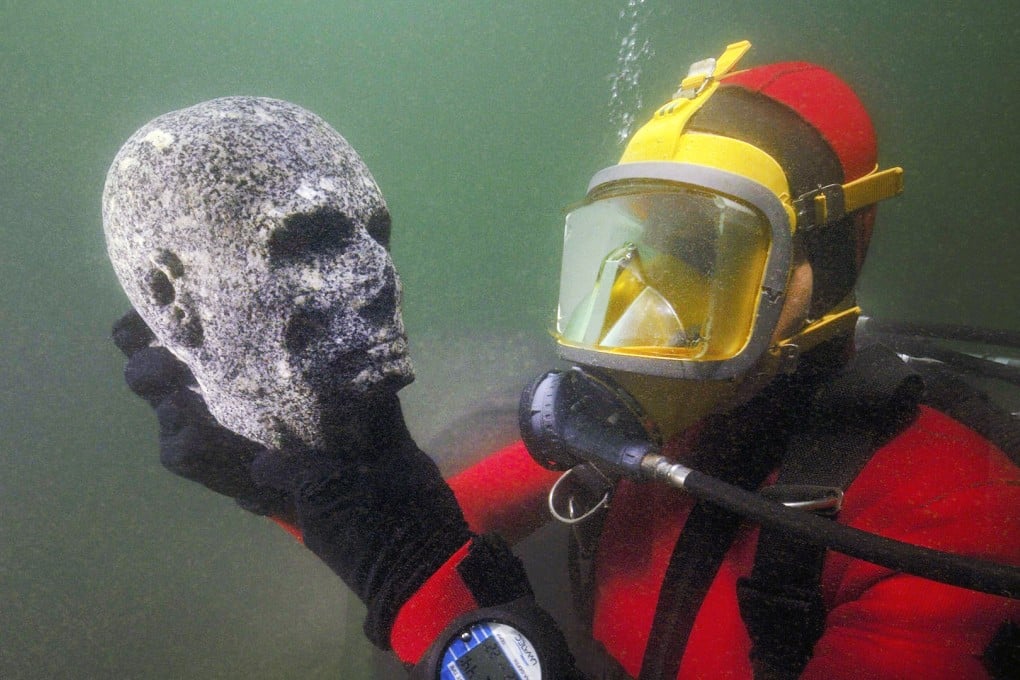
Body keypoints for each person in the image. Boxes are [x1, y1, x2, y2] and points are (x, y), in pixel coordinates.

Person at [108, 43, 1019, 679]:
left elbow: (418, 566)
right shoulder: (628, 430)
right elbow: (417, 527)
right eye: (629, 252)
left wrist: (430, 591)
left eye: (702, 255)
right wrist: (281, 473)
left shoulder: (947, 513)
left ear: (823, 271)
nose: (639, 308)